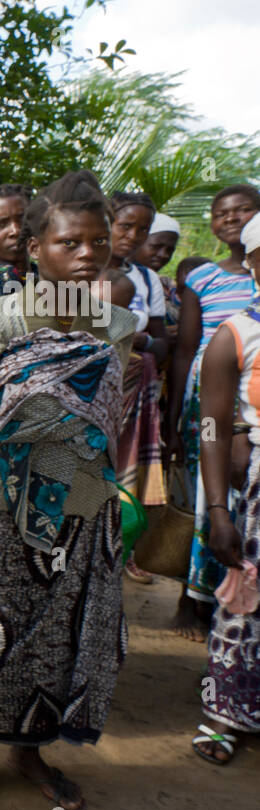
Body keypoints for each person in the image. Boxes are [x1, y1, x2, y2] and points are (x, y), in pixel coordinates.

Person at [0, 171, 137, 810]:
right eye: (69, 241)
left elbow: (106, 419)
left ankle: (28, 750)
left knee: (52, 635)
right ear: (34, 246)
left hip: (79, 501)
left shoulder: (119, 325)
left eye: (98, 241)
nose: (86, 254)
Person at [165, 184, 260, 640]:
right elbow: (185, 349)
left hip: (247, 403)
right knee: (205, 499)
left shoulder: (252, 275)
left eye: (244, 210)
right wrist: (175, 416)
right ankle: (195, 596)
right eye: (223, 212)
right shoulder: (202, 279)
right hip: (210, 401)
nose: (232, 219)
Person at [190, 214, 260, 764]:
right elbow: (211, 424)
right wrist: (218, 510)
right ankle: (223, 715)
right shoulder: (238, 332)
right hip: (257, 491)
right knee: (246, 598)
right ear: (254, 262)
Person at [105, 193, 168, 583]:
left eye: (142, 229)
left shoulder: (146, 280)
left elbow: (163, 343)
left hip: (136, 394)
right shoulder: (75, 272)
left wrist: (140, 342)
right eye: (124, 225)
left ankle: (122, 551)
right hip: (91, 391)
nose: (133, 235)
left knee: (125, 474)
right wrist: (137, 338)